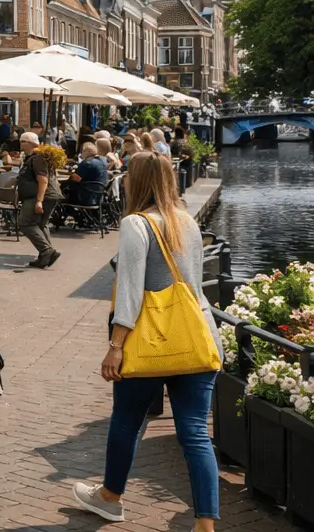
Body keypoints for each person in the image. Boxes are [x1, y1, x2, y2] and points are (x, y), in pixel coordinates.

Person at [72, 152, 219, 530]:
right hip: (197, 337)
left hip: (153, 340)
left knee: (126, 420)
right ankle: (206, 525)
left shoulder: (136, 224)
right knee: (196, 434)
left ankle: (110, 498)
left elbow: (131, 291)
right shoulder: (186, 220)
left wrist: (116, 344)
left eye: (127, 176)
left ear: (135, 181)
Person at [17, 131, 61, 269]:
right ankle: (45, 256)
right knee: (41, 225)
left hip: (40, 196)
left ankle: (47, 251)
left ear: (29, 143)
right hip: (49, 195)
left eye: (22, 141)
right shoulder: (36, 157)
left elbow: (43, 180)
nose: (21, 145)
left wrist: (39, 201)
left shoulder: (38, 158)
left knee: (25, 223)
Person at [67, 142, 110, 208]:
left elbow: (75, 178)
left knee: (65, 187)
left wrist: (70, 174)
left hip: (85, 195)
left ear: (85, 151)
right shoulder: (103, 160)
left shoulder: (87, 163)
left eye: (82, 151)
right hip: (99, 195)